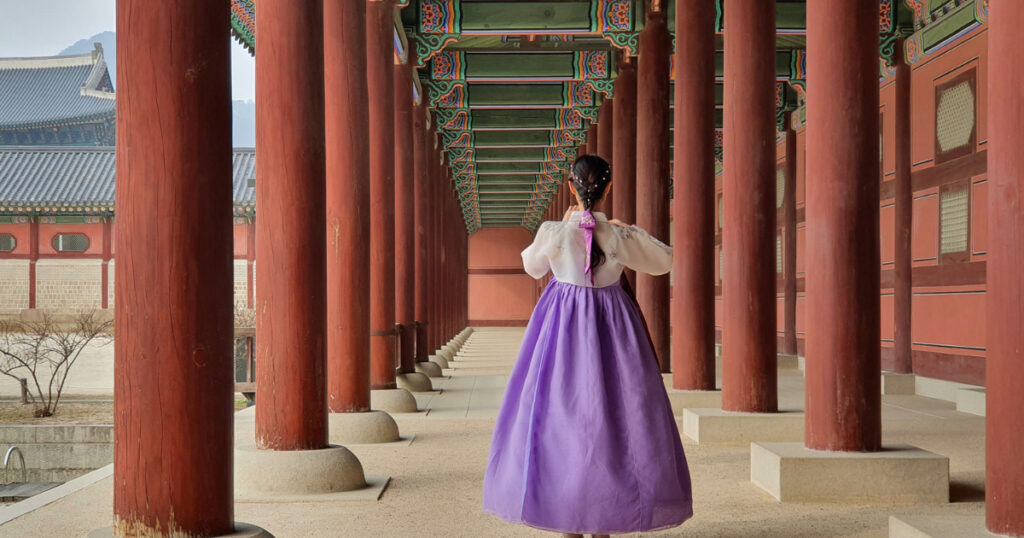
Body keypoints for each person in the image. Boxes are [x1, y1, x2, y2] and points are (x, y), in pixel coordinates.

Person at [482, 154, 693, 538]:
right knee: (614, 418)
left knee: (559, 419)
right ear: (607, 189)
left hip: (560, 330)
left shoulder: (554, 231)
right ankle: (605, 518)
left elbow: (532, 266)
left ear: (571, 187)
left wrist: (565, 226)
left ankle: (566, 515)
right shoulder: (617, 236)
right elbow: (664, 260)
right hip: (614, 330)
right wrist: (627, 228)